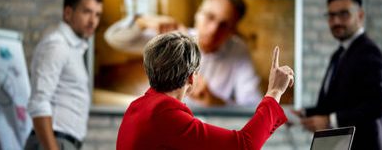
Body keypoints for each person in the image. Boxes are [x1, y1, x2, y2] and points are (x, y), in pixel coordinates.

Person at [116, 32, 294, 150]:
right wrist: (275, 91)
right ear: (192, 77)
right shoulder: (166, 115)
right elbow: (245, 145)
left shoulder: (137, 107)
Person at [104, 0, 262, 107]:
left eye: (224, 25)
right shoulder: (174, 38)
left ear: (232, 31)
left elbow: (252, 106)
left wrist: (214, 102)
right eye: (210, 17)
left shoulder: (238, 51)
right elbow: (113, 38)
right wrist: (143, 21)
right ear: (198, 14)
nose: (213, 30)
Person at [293, 0, 382, 149]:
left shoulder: (370, 52)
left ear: (360, 15)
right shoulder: (339, 54)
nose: (336, 21)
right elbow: (335, 103)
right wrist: (304, 114)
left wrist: (330, 120)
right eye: (331, 15)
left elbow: (379, 104)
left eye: (344, 14)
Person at [24, 0, 103, 150]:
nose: (93, 21)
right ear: (68, 13)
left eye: (98, 14)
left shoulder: (74, 48)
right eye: (87, 12)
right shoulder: (57, 44)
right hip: (53, 142)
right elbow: (38, 102)